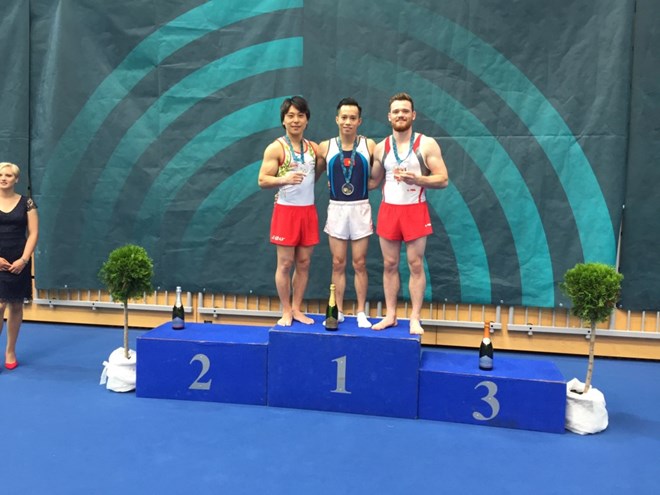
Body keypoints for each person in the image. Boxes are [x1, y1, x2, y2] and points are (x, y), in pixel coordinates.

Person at [369, 93, 449, 335]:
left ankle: (415, 317)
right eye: (396, 111)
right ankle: (391, 315)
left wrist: (419, 178)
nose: (400, 115)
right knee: (389, 264)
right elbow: (373, 182)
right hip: (389, 210)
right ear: (389, 116)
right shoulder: (381, 147)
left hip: (415, 209)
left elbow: (443, 179)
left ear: (413, 115)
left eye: (405, 111)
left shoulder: (427, 144)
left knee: (415, 264)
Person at [258, 96, 323, 326]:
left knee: (304, 263)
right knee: (285, 264)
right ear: (284, 121)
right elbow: (262, 180)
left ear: (307, 120)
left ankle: (297, 308)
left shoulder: (314, 149)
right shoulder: (276, 148)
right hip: (286, 212)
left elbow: (319, 171)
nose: (296, 120)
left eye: (300, 116)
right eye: (291, 116)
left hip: (307, 211)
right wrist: (283, 179)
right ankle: (285, 309)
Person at [317, 98, 376, 328]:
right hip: (337, 208)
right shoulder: (325, 146)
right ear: (336, 119)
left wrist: (375, 183)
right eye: (344, 117)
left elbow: (382, 171)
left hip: (360, 207)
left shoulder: (369, 145)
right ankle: (338, 310)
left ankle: (361, 311)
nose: (348, 122)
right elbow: (313, 175)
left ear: (359, 121)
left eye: (353, 118)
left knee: (359, 263)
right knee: (338, 262)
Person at [0, 162, 39, 369]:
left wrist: (23, 260)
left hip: (18, 261)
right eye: (0, 175)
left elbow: (33, 233)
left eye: (8, 175)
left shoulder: (27, 203)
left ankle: (10, 350)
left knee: (15, 305)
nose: (3, 178)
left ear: (16, 179)